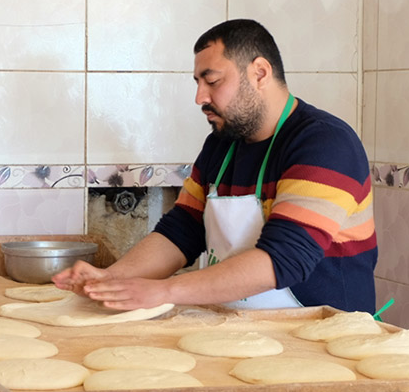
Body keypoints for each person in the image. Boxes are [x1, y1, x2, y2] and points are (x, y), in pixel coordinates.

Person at [55, 19, 377, 313]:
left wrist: (164, 291)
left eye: (212, 81)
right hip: (239, 331)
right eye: (198, 82)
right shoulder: (222, 144)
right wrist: (111, 280)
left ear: (260, 73)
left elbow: (283, 260)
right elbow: (181, 231)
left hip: (323, 337)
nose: (200, 97)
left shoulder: (325, 144)